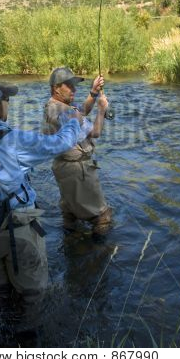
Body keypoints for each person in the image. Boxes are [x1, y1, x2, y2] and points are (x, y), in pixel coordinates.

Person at [0, 77, 83, 314]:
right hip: (18, 233)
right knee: (33, 301)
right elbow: (60, 143)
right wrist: (73, 120)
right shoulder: (12, 139)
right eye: (6, 99)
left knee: (1, 298)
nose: (8, 104)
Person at [43, 67, 112, 236]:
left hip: (62, 167)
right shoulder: (64, 111)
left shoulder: (54, 106)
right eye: (69, 85)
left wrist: (94, 93)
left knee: (70, 215)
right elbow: (95, 132)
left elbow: (81, 111)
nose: (74, 89)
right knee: (102, 216)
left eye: (74, 85)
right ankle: (99, 255)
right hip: (78, 171)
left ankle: (72, 248)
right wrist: (102, 110)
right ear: (56, 88)